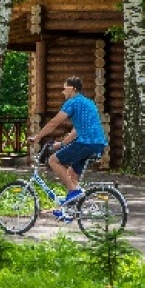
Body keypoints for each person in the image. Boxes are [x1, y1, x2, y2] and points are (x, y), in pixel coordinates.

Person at [29, 76, 107, 207]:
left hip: (85, 143)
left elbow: (54, 122)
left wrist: (37, 137)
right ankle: (72, 208)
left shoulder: (72, 102)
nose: (63, 92)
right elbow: (76, 131)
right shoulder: (88, 102)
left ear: (72, 89)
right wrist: (62, 144)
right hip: (97, 144)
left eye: (64, 89)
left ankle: (74, 193)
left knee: (53, 160)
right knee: (71, 173)